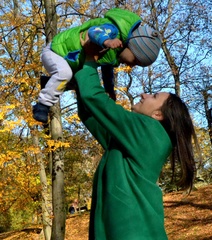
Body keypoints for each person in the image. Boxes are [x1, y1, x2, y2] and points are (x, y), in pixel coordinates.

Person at [73, 40, 199, 239]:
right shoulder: (138, 139)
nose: (144, 94)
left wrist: (90, 59)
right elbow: (91, 114)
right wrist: (80, 84)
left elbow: (95, 99)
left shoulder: (149, 132)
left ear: (158, 114)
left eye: (153, 96)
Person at [32, 8, 162, 123]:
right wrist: (107, 41)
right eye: (135, 61)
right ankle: (42, 105)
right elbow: (94, 32)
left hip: (70, 60)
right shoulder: (112, 30)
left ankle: (48, 83)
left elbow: (107, 70)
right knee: (65, 74)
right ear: (132, 47)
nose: (131, 65)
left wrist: (109, 90)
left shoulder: (115, 52)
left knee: (80, 82)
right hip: (57, 52)